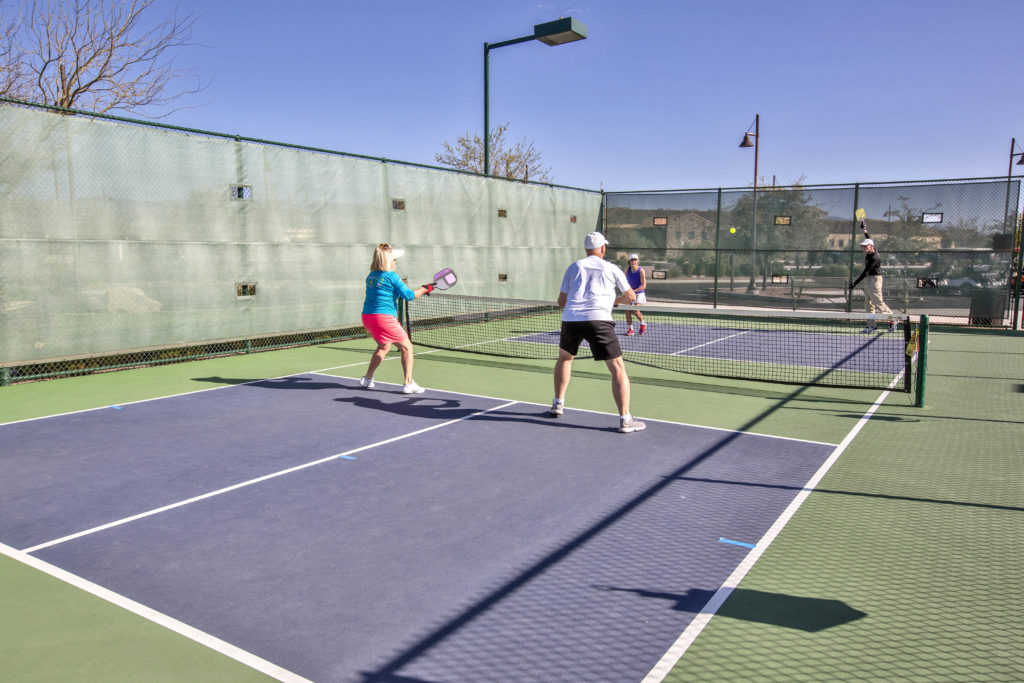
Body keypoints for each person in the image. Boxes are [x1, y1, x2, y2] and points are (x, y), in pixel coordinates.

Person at [550, 232, 646, 433]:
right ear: (603, 248)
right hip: (599, 320)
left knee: (565, 359)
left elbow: (561, 302)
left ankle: (558, 403)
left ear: (586, 249)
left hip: (571, 320)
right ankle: (625, 420)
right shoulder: (611, 268)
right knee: (618, 368)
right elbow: (630, 296)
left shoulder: (573, 267)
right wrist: (614, 302)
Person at [360, 243, 434, 393]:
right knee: (407, 347)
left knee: (384, 346)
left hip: (367, 317)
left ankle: (367, 379)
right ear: (388, 260)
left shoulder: (371, 276)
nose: (396, 262)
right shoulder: (392, 276)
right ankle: (408, 384)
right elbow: (409, 295)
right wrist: (426, 288)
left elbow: (387, 293)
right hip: (383, 318)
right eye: (394, 259)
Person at [849, 224, 896, 333]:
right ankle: (871, 326)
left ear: (871, 247)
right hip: (869, 279)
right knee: (868, 303)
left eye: (865, 246)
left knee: (878, 302)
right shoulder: (872, 250)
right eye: (863, 246)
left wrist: (854, 283)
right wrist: (864, 230)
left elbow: (865, 272)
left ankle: (893, 320)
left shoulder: (874, 258)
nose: (863, 248)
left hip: (875, 280)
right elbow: (869, 238)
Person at [623, 253, 647, 336]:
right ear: (629, 261)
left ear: (638, 261)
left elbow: (644, 286)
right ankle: (631, 329)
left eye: (635, 260)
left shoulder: (641, 271)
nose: (634, 261)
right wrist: (626, 290)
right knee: (627, 310)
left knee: (635, 309)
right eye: (632, 260)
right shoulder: (627, 270)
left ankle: (643, 324)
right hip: (630, 294)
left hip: (639, 294)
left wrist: (634, 291)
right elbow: (624, 281)